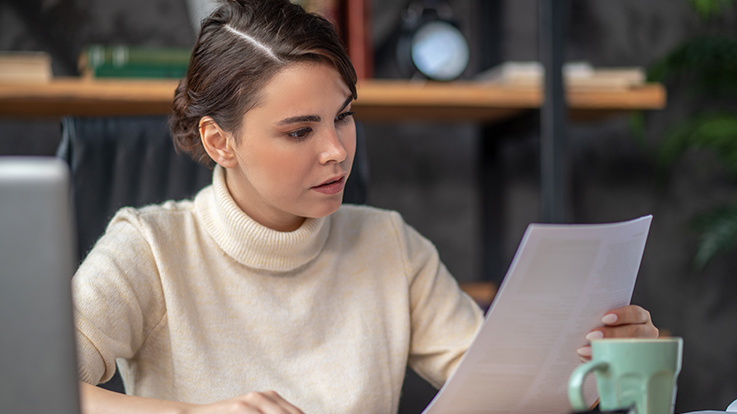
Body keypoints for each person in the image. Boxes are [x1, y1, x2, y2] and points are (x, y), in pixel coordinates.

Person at [72, 1, 659, 413]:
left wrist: (607, 367)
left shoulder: (390, 245)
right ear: (219, 142)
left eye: (343, 117)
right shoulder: (148, 249)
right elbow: (24, 386)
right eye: (300, 131)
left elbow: (505, 391)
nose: (337, 151)